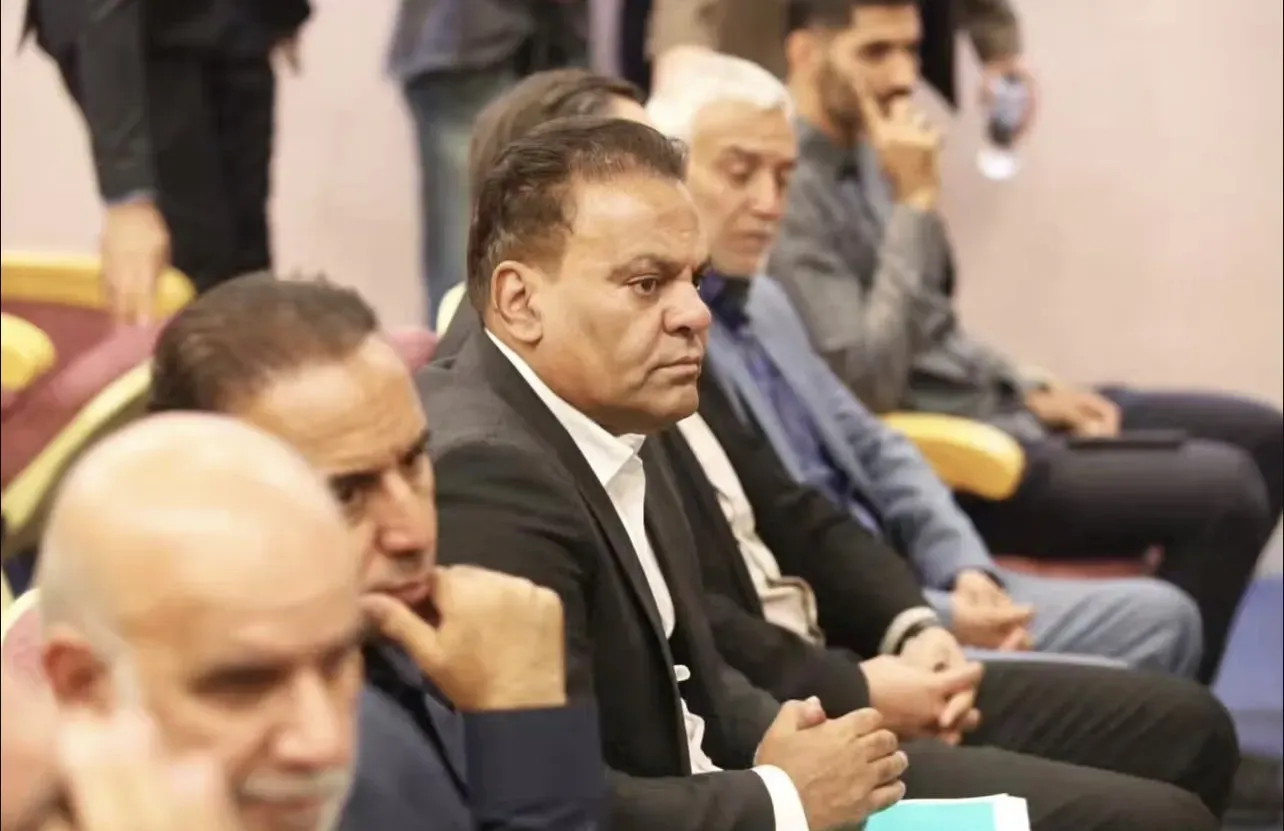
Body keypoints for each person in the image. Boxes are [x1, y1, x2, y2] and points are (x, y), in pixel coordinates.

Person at [422, 114, 1238, 830]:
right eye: (646, 283)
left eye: (693, 280)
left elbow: (693, 673)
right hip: (742, 808)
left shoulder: (613, 403)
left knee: (1179, 751)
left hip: (746, 777)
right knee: (1158, 817)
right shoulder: (491, 478)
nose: (695, 313)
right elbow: (548, 810)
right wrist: (785, 796)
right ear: (520, 301)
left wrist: (788, 734)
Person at [769, 0, 1282, 687]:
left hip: (1001, 402)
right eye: (875, 52)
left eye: (910, 51)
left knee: (1263, 435)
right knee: (1228, 493)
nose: (902, 77)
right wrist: (916, 205)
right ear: (804, 54)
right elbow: (870, 381)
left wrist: (1027, 381)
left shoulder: (874, 147)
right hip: (969, 453)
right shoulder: (787, 191)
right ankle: (1172, 707)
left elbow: (937, 329)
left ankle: (1164, 685)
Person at [645, 51, 1206, 676]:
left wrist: (963, 566)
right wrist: (924, 613)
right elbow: (784, 534)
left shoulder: (766, 300)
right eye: (740, 172)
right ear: (667, 175)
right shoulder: (674, 338)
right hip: (852, 621)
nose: (769, 202)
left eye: (782, 178)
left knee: (1166, 617)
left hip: (911, 569)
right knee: (1151, 681)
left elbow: (874, 439)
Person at [146, 285, 606, 830]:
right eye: (345, 494)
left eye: (412, 462)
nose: (411, 532)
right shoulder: (277, 753)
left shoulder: (407, 640)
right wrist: (522, 721)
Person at [30, 413, 602, 831]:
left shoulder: (390, 773)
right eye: (242, 685)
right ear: (82, 685)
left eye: (337, 664)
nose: (323, 741)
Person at [23, 0, 308, 320]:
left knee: (246, 263)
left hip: (237, 23)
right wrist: (129, 195)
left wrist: (284, 12)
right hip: (136, 38)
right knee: (194, 259)